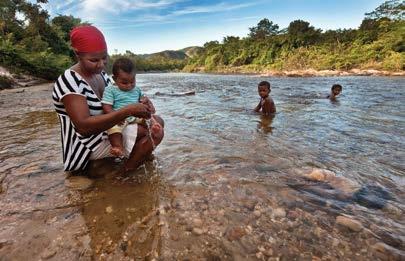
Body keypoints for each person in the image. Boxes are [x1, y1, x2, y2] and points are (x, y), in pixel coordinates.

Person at [52, 25, 164, 173]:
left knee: (158, 121)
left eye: (104, 58)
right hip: (85, 144)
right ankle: (126, 172)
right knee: (149, 131)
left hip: (106, 132)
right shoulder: (70, 81)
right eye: (94, 60)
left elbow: (120, 97)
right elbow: (83, 127)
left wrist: (143, 103)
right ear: (77, 54)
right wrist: (128, 111)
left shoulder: (102, 75)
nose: (101, 64)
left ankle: (133, 159)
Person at [101, 58, 163, 158]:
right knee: (113, 129)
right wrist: (115, 117)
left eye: (132, 81)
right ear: (114, 78)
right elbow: (106, 106)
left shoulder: (137, 89)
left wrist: (147, 103)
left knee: (150, 118)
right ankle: (118, 147)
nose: (129, 86)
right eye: (124, 83)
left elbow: (145, 100)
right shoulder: (110, 90)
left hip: (136, 117)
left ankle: (153, 129)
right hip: (120, 119)